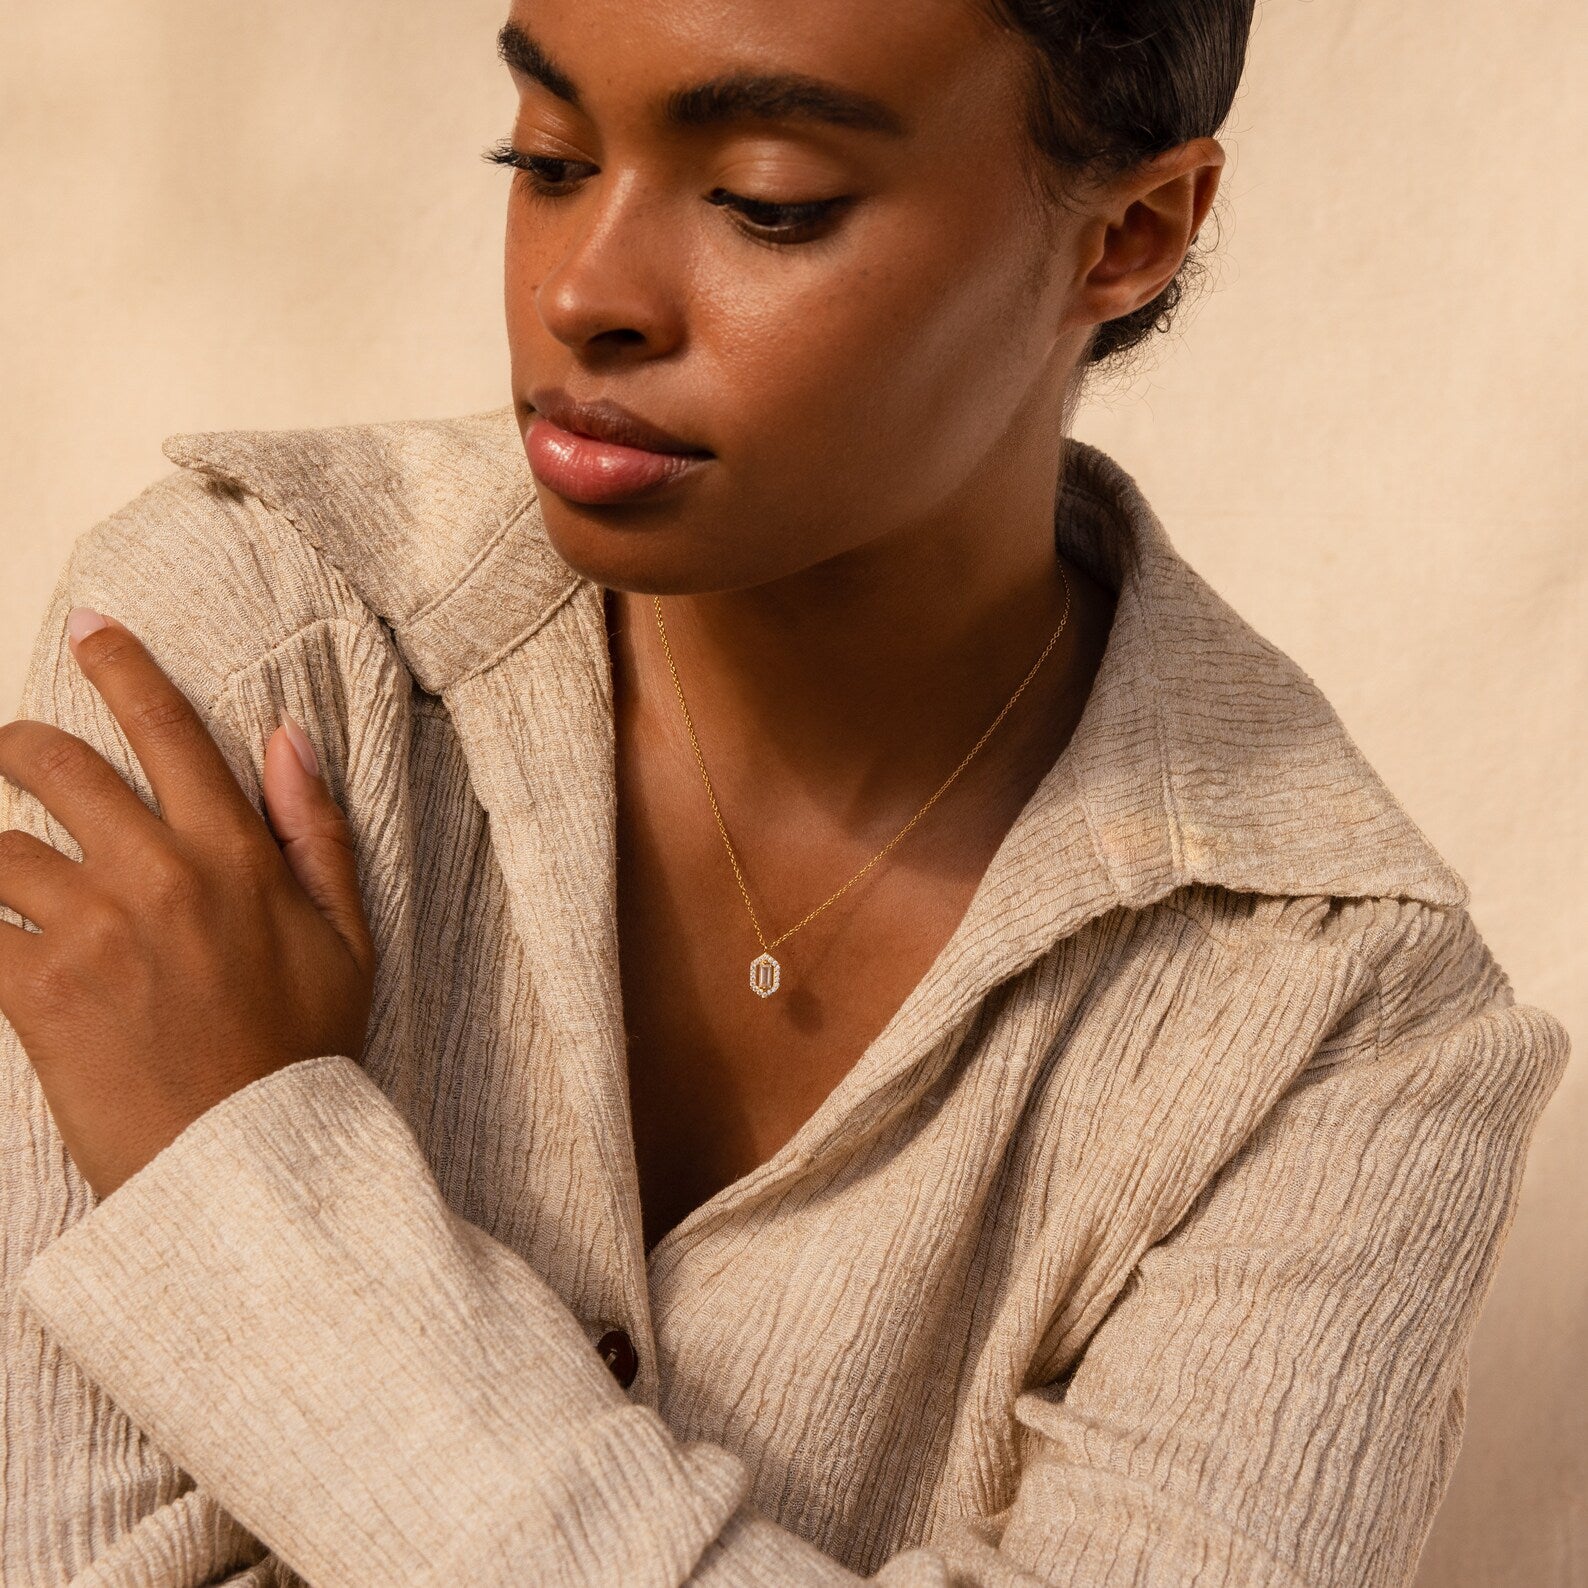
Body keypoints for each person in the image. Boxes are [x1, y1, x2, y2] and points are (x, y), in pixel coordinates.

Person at [0, 2, 1570, 1585]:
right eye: (544, 156)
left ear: (1130, 232)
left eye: (766, 200)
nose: (580, 292)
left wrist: (256, 1194)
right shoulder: (236, 657)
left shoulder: (1342, 1028)